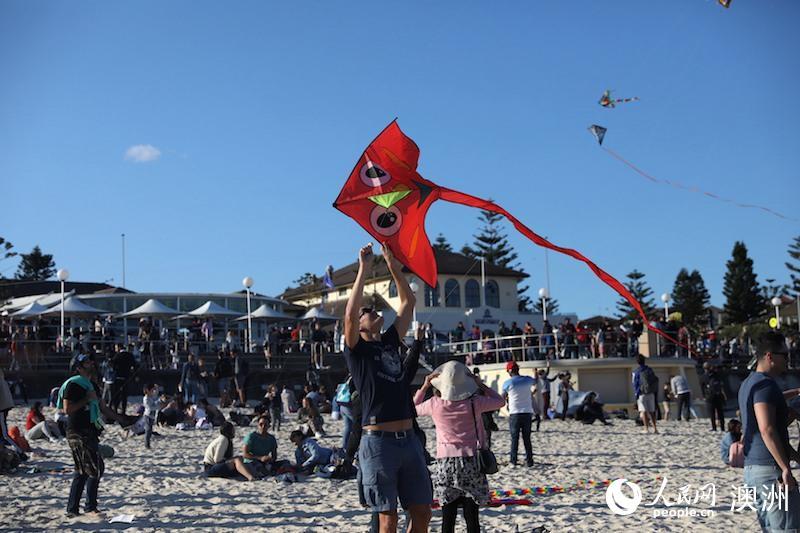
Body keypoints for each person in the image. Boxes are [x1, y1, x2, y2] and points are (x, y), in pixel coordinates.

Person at [343, 243, 431, 533]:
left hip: (409, 440)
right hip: (378, 441)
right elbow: (350, 315)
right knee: (387, 519)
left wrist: (393, 264)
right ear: (360, 325)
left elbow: (408, 303)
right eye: (367, 312)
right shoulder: (358, 351)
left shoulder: (390, 340)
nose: (372, 311)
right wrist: (364, 270)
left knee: (422, 512)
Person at [414, 361, 504, 533]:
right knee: (472, 517)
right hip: (471, 461)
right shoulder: (475, 402)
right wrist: (480, 384)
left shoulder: (434, 404)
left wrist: (425, 386)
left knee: (448, 518)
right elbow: (500, 402)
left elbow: (411, 408)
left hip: (445, 463)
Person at [737, 331, 800, 530]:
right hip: (770, 470)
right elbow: (767, 429)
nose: (788, 360)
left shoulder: (749, 383)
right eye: (785, 355)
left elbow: (770, 408)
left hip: (753, 469)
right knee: (786, 528)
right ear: (770, 356)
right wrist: (785, 468)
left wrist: (797, 391)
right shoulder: (765, 385)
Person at [59, 353, 125, 517]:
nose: (90, 364)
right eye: (86, 362)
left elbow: (103, 407)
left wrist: (121, 419)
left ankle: (73, 509)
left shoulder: (92, 386)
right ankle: (89, 507)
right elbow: (67, 409)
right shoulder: (73, 385)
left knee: (83, 470)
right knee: (95, 468)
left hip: (90, 431)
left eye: (90, 361)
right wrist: (86, 400)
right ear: (78, 367)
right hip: (77, 431)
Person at [501, 361, 535, 467]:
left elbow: (502, 397)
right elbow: (536, 381)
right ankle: (529, 461)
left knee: (514, 438)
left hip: (515, 413)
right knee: (527, 438)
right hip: (527, 412)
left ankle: (513, 461)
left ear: (509, 371)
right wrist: (536, 372)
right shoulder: (527, 379)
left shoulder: (508, 383)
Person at [241, 414, 277, 480]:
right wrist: (260, 458)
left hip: (265, 462)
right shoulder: (251, 436)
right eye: (261, 424)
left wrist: (270, 459)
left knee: (285, 463)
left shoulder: (271, 438)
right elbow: (245, 454)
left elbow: (274, 455)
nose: (263, 426)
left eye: (265, 425)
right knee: (258, 465)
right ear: (258, 425)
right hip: (251, 462)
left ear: (269, 426)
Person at [632, 355, 658, 434]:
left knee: (643, 411)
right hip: (651, 392)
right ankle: (655, 428)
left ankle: (646, 428)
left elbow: (635, 383)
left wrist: (636, 394)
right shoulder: (650, 370)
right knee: (652, 411)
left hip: (642, 393)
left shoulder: (636, 371)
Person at [703, 363, 727, 432]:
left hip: (710, 396)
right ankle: (722, 427)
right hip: (718, 395)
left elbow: (702, 386)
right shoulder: (717, 375)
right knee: (720, 412)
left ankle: (714, 427)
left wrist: (704, 395)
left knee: (712, 413)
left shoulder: (704, 376)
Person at [142, 383, 161, 449]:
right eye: (152, 390)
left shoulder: (151, 396)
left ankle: (148, 443)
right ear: (147, 390)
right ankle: (146, 444)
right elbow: (150, 407)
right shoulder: (146, 398)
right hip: (147, 416)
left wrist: (157, 388)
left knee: (150, 431)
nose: (153, 392)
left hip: (152, 417)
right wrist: (158, 405)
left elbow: (156, 394)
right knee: (148, 430)